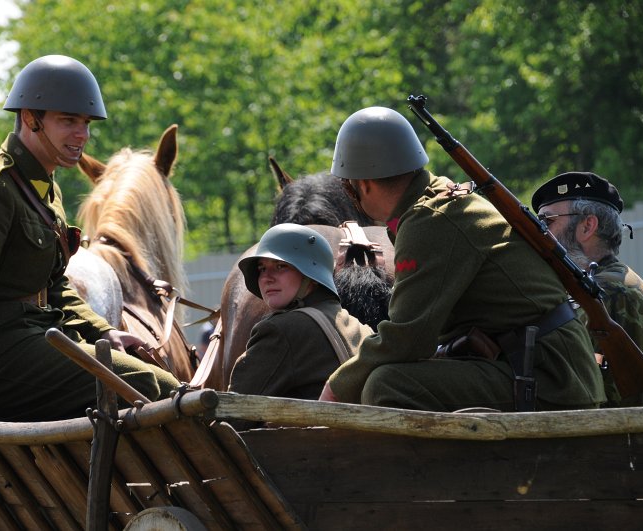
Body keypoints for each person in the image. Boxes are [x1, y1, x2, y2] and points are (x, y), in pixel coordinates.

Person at [0, 55, 180, 432]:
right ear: (31, 118)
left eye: (85, 123)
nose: (82, 134)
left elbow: (52, 284)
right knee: (152, 386)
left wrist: (102, 331)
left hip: (31, 341)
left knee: (158, 377)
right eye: (68, 121)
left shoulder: (44, 189)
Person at [319, 106, 605, 412]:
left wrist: (337, 387)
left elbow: (407, 338)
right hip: (540, 364)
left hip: (548, 374)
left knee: (386, 384)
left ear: (364, 183)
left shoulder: (429, 220)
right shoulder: (437, 203)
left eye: (350, 186)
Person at [532, 171, 643, 407]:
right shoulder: (614, 281)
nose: (538, 232)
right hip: (641, 435)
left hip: (636, 440)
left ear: (587, 226)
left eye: (547, 221)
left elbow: (564, 385)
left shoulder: (605, 292)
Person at [228, 223, 373, 400]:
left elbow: (234, 411)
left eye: (280, 266)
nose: (266, 278)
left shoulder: (280, 330)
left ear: (310, 275)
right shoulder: (359, 327)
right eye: (262, 268)